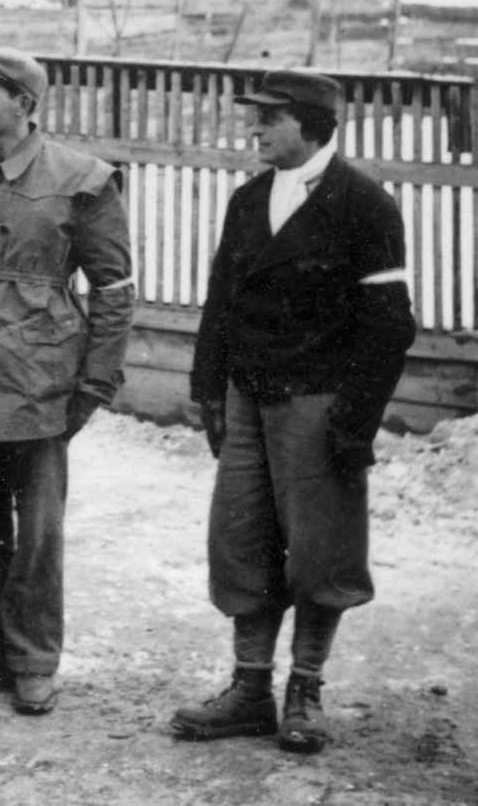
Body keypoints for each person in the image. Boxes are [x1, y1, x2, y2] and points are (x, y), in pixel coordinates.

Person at [171, 70, 416, 754]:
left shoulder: (363, 204)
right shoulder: (249, 199)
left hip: (319, 399)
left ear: (310, 124)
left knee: (319, 550)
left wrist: (354, 420)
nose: (255, 129)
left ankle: (304, 688)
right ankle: (249, 688)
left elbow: (390, 323)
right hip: (248, 398)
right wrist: (209, 390)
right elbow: (220, 301)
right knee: (242, 540)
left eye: (269, 118)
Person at [0, 47, 134, 716]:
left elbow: (115, 290)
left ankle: (33, 656)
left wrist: (95, 382)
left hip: (40, 375)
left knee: (37, 529)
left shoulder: (82, 177)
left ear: (26, 104)